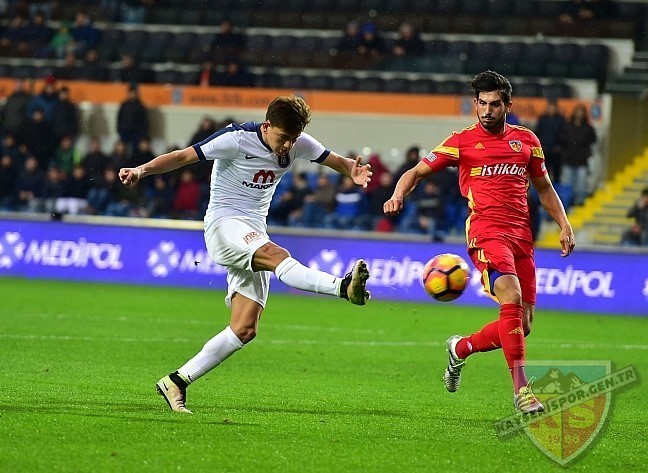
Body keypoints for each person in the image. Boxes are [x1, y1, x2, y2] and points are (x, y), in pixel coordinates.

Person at [119, 95, 372, 413]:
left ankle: (176, 381)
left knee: (245, 329)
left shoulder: (298, 143)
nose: (287, 146)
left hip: (253, 232)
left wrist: (352, 171)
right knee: (277, 256)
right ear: (267, 126)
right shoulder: (235, 139)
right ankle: (343, 288)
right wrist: (141, 170)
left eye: (293, 139)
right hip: (224, 225)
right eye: (283, 137)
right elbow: (183, 156)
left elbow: (335, 160)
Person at [384, 71, 576, 414]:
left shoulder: (527, 141)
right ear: (475, 104)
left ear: (508, 106)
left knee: (522, 325)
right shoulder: (462, 141)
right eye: (482, 104)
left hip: (522, 238)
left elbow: (544, 188)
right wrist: (398, 194)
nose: (487, 111)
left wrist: (564, 224)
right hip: (486, 232)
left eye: (495, 104)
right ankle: (522, 391)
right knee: (511, 297)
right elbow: (416, 172)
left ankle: (460, 348)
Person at [560, 103, 597, 207]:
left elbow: (593, 139)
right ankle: (568, 200)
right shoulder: (567, 126)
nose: (579, 114)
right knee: (568, 183)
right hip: (569, 158)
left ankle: (580, 201)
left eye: (581, 112)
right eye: (578, 112)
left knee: (581, 183)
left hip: (582, 159)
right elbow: (562, 139)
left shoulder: (588, 128)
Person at [535, 100, 566, 183]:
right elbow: (537, 133)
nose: (551, 109)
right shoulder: (542, 119)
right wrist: (541, 145)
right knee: (544, 174)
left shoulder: (561, 120)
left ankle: (556, 189)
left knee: (557, 174)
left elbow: (564, 134)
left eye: (553, 108)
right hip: (544, 151)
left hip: (556, 151)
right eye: (549, 107)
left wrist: (559, 146)